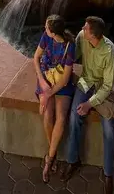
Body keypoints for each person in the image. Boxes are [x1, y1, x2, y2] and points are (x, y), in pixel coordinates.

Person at [62, 17, 114, 191]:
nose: (82, 28)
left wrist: (89, 104)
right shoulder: (82, 37)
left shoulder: (110, 52)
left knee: (109, 130)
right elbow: (73, 56)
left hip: (103, 88)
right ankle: (73, 160)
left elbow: (108, 86)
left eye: (86, 28)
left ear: (93, 35)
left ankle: (108, 174)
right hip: (86, 81)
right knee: (74, 116)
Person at [34, 15, 76, 183]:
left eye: (46, 28)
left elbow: (65, 79)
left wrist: (47, 94)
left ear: (53, 32)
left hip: (61, 84)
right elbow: (36, 58)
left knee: (61, 117)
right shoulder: (46, 37)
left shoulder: (70, 46)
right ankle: (54, 154)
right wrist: (42, 83)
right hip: (46, 78)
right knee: (47, 114)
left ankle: (49, 159)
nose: (44, 29)